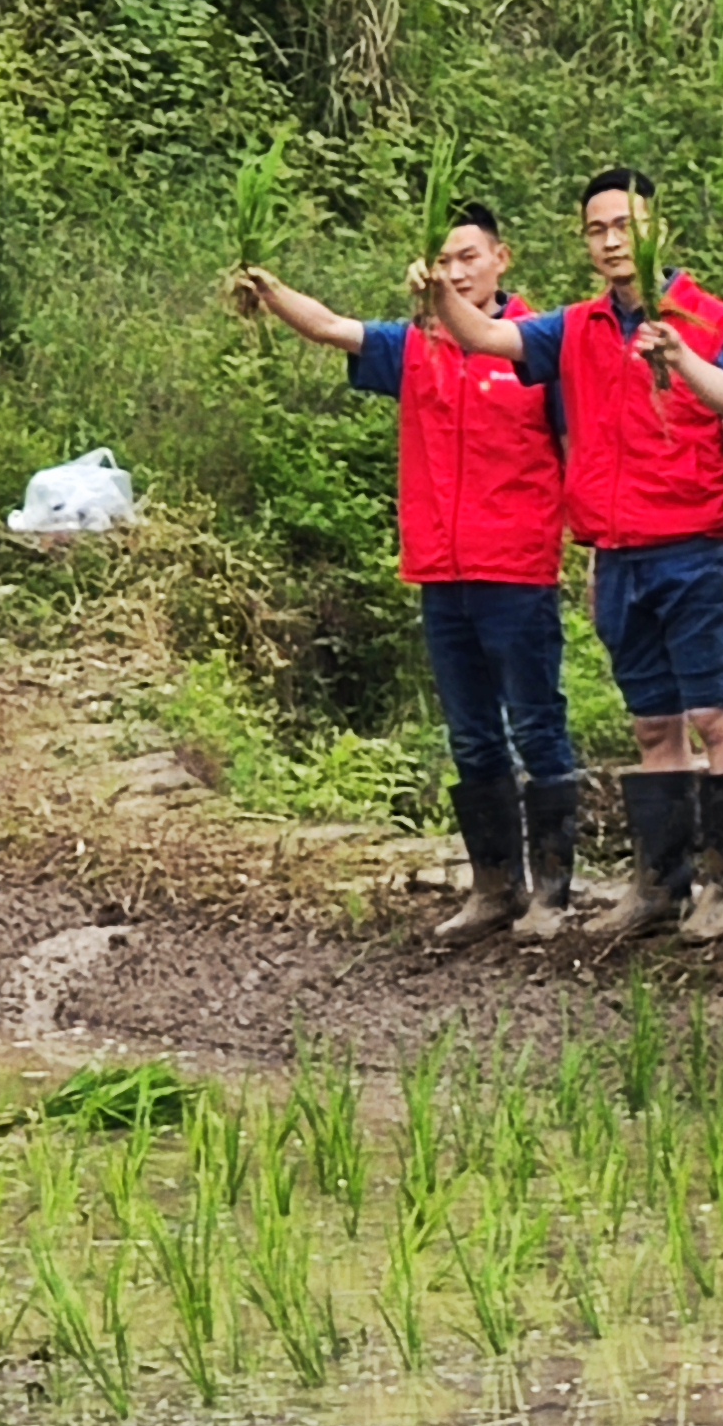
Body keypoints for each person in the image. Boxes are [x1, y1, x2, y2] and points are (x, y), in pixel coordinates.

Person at [433, 168, 723, 949]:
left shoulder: (711, 323)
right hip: (619, 555)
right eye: (598, 229)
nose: (613, 241)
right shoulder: (576, 328)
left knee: (715, 713)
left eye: (626, 224)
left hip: (692, 549)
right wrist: (438, 290)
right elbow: (487, 338)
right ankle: (660, 886)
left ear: (658, 227)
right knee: (652, 722)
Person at [233, 205, 580, 945]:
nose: (455, 272)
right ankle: (495, 887)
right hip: (441, 569)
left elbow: (575, 444)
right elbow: (333, 328)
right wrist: (269, 289)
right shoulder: (417, 345)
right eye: (443, 261)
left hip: (518, 568)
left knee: (537, 724)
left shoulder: (537, 345)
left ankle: (553, 893)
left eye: (468, 257)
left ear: (502, 259)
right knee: (471, 734)